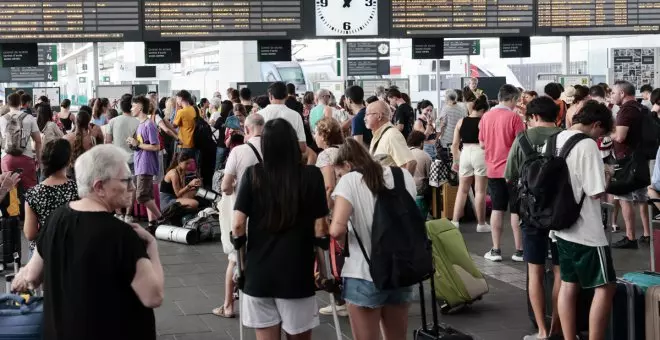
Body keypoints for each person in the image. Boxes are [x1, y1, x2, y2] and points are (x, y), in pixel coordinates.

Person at [11, 144, 164, 340]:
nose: (132, 187)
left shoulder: (57, 218)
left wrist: (19, 279)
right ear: (99, 186)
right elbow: (153, 296)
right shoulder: (122, 235)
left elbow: (32, 276)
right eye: (126, 180)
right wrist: (152, 248)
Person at [232, 118, 329, 340]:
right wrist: (324, 274)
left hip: (259, 273)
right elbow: (321, 227)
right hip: (297, 272)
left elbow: (237, 224)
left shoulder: (252, 174)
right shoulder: (311, 176)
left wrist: (243, 265)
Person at [329, 138, 417, 340]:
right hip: (401, 271)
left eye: (339, 173)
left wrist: (343, 245)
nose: (339, 177)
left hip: (363, 273)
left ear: (348, 165)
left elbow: (336, 230)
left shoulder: (349, 181)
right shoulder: (402, 175)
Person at [544, 101, 616, 340]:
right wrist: (607, 173)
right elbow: (596, 191)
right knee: (605, 286)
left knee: (568, 283)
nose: (600, 138)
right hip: (587, 230)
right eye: (602, 133)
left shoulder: (553, 140)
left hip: (560, 227)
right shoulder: (587, 145)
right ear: (596, 125)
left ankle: (568, 337)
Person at [504, 97, 563, 340]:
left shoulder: (522, 140)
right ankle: (559, 327)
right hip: (562, 214)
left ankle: (541, 330)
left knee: (535, 271)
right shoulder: (566, 137)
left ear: (534, 117)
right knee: (562, 272)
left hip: (532, 215)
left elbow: (510, 176)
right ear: (556, 116)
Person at [212, 113, 264, 319]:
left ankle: (228, 305)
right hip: (267, 212)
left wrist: (232, 185)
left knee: (235, 258)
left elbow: (225, 187)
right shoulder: (274, 149)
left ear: (248, 130)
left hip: (242, 211)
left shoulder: (239, 151)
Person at [479, 85, 526, 262]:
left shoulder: (486, 117)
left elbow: (482, 144)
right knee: (516, 210)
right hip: (513, 171)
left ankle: (496, 250)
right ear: (512, 99)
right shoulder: (514, 117)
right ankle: (519, 251)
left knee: (497, 209)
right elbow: (522, 144)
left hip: (493, 169)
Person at [609, 80, 651, 248]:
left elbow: (620, 137)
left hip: (626, 160)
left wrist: (607, 134)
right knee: (642, 197)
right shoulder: (642, 108)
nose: (611, 96)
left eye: (613, 92)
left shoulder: (625, 111)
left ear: (622, 93)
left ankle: (630, 237)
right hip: (641, 158)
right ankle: (647, 234)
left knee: (624, 198)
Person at [24, 140, 79, 258]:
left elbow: (30, 234)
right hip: (71, 250)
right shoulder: (77, 189)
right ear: (68, 160)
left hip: (44, 254)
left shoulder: (33, 193)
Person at [450, 95, 490, 232]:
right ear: (483, 110)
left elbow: (455, 144)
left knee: (462, 189)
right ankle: (481, 224)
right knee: (480, 191)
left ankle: (455, 222)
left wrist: (456, 160)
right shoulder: (484, 121)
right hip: (480, 152)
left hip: (465, 153)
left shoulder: (461, 121)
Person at [127, 95, 162, 232]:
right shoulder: (140, 125)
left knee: (141, 196)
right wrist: (134, 144)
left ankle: (160, 217)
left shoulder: (149, 125)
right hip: (140, 163)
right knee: (148, 195)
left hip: (146, 165)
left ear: (140, 107)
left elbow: (156, 146)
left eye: (133, 105)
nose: (131, 108)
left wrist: (138, 144)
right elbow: (140, 144)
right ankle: (152, 222)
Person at [1, 93, 42, 192]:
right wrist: (38, 159)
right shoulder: (29, 118)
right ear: (20, 103)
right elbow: (38, 141)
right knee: (30, 190)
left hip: (7, 158)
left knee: (9, 191)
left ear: (7, 103)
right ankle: (28, 207)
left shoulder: (1, 119)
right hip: (26, 157)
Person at [258, 82, 308, 159]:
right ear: (287, 96)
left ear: (270, 96)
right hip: (290, 163)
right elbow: (303, 147)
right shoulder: (296, 115)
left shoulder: (259, 115)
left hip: (265, 161)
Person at [367, 100, 416, 174]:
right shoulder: (380, 135)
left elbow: (410, 163)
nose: (364, 118)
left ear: (379, 116)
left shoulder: (391, 135)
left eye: (367, 114)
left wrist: (402, 184)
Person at [64, 108, 99, 177]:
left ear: (76, 122)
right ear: (88, 123)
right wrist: (91, 133)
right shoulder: (91, 139)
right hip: (86, 173)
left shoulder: (66, 137)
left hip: (70, 174)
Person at [407, 131, 432, 217]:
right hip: (420, 189)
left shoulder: (402, 153)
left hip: (404, 187)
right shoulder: (425, 156)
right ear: (421, 143)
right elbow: (429, 175)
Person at [173, 90, 198, 159]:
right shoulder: (196, 109)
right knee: (192, 165)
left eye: (177, 99)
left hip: (184, 144)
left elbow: (174, 126)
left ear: (181, 99)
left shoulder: (181, 112)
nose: (177, 101)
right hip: (195, 142)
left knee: (184, 166)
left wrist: (176, 110)